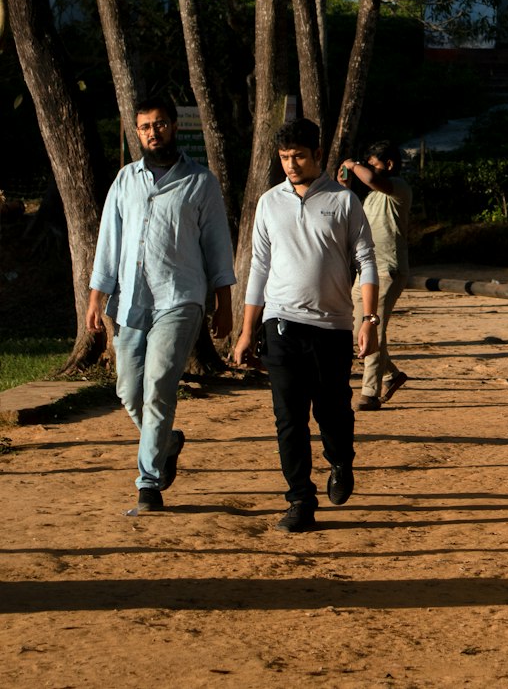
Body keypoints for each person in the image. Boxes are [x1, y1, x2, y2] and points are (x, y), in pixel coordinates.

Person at [87, 94, 235, 515]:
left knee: (158, 388)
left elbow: (218, 249)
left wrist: (223, 304)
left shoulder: (201, 182)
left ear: (174, 126)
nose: (154, 132)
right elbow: (108, 243)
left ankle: (148, 484)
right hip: (130, 299)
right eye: (146, 126)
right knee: (128, 390)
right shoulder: (125, 180)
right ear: (138, 132)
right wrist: (97, 297)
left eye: (161, 124)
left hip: (180, 298)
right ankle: (167, 441)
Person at [232, 118, 379, 533]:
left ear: (317, 154)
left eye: (298, 155)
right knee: (289, 417)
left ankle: (340, 460)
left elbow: (366, 260)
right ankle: (300, 499)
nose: (290, 164)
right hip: (280, 324)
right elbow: (258, 267)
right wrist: (247, 330)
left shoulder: (344, 201)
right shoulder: (269, 202)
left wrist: (368, 318)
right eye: (283, 157)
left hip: (332, 328)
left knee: (332, 412)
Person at [341, 140, 412, 410]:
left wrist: (352, 165)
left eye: (373, 163)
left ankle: (369, 392)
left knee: (374, 328)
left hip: (389, 268)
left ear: (390, 164)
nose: (367, 169)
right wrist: (346, 187)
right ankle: (391, 375)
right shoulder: (371, 197)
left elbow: (370, 178)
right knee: (356, 329)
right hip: (367, 270)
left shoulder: (399, 188)